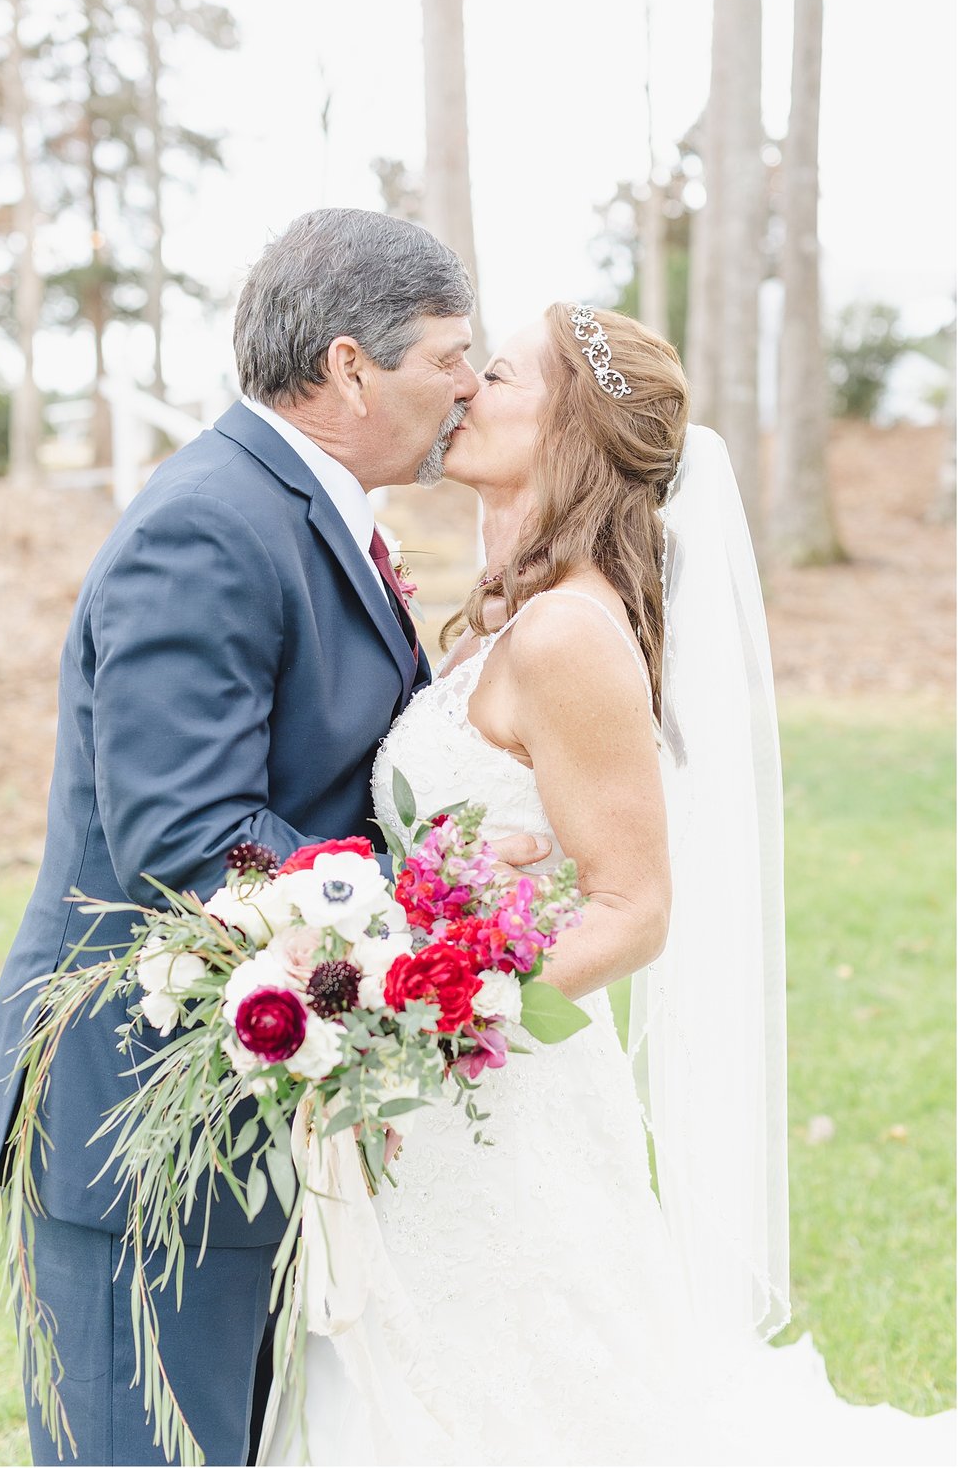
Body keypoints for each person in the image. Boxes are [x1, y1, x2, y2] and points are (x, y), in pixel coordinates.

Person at [260, 303, 955, 1466]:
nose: (467, 389)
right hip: (422, 1087)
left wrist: (436, 1005)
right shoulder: (504, 619)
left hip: (495, 1087)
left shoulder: (567, 636)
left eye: (501, 374)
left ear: (576, 433)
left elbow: (634, 907)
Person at [0, 207, 551, 1468]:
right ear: (351, 366)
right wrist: (429, 914)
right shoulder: (209, 525)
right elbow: (187, 831)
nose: (468, 383)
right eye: (450, 353)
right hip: (144, 1129)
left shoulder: (309, 511)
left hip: (254, 1106)